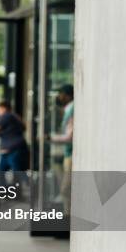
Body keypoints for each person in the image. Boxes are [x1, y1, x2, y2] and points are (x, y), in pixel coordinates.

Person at [0, 101, 29, 180]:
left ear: (3, 108)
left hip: (14, 151)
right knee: (5, 174)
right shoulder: (12, 117)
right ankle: (7, 190)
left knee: (17, 175)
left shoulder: (7, 116)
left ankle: (25, 189)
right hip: (8, 152)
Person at [50, 84, 74, 214]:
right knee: (66, 188)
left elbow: (69, 137)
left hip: (70, 154)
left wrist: (51, 137)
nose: (59, 97)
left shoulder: (73, 109)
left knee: (66, 188)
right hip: (68, 153)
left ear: (67, 95)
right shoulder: (68, 109)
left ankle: (68, 220)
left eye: (61, 94)